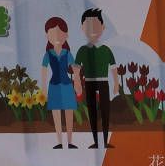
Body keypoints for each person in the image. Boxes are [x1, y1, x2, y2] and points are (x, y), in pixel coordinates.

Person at [72, 8, 120, 149]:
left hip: (103, 82)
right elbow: (76, 68)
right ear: (82, 28)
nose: (92, 29)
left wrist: (116, 83)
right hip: (89, 83)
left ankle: (104, 140)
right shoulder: (82, 50)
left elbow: (113, 67)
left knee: (105, 110)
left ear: (103, 27)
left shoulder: (106, 50)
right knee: (92, 110)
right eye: (88, 25)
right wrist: (77, 82)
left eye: (96, 25)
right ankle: (96, 141)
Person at [40, 17, 77, 149]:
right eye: (51, 33)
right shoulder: (47, 54)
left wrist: (77, 84)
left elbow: (75, 69)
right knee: (56, 114)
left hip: (67, 85)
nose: (56, 36)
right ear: (47, 36)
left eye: (59, 32)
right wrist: (43, 88)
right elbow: (43, 70)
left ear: (66, 35)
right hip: (54, 85)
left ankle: (70, 141)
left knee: (68, 113)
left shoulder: (68, 53)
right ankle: (60, 142)